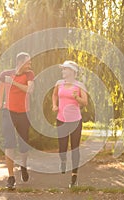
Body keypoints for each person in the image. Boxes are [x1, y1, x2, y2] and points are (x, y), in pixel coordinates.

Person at [0, 52, 34, 189]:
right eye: (28, 62)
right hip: (8, 112)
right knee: (9, 144)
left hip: (24, 113)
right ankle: (11, 177)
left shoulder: (29, 74)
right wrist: (0, 102)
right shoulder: (6, 73)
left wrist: (13, 83)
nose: (30, 65)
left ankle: (23, 165)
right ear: (20, 62)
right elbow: (0, 84)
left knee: (24, 146)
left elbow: (30, 90)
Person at [52, 60, 88, 188]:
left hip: (75, 121)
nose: (63, 71)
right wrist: (54, 105)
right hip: (61, 119)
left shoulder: (79, 85)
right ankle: (63, 161)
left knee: (75, 148)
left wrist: (77, 98)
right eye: (62, 69)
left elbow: (85, 102)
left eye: (65, 69)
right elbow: (54, 94)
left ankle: (74, 175)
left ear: (72, 72)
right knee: (62, 147)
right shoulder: (59, 83)